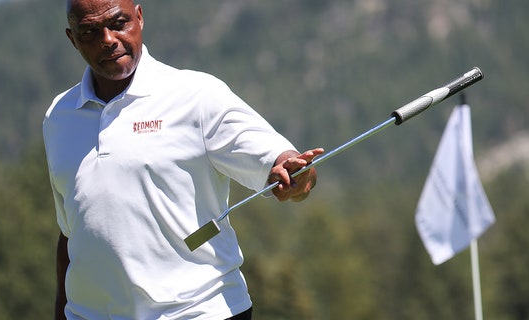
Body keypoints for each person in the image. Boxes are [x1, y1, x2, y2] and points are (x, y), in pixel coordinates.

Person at [43, 0, 324, 319]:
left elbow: (285, 163)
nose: (107, 39)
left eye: (118, 23)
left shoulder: (196, 95)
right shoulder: (58, 116)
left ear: (139, 17)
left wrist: (296, 175)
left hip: (200, 312)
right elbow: (71, 233)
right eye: (90, 31)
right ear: (72, 38)